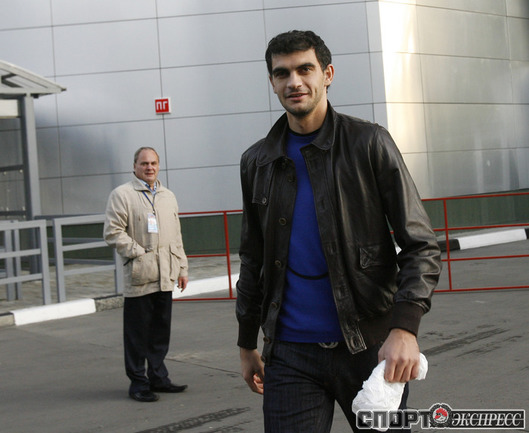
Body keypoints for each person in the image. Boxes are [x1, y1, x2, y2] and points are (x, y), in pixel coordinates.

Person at [236, 30, 442, 432]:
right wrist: (246, 343)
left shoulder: (369, 143)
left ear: (327, 74)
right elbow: (252, 259)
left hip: (369, 346)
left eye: (305, 69)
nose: (294, 82)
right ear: (272, 82)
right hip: (290, 353)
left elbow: (420, 245)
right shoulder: (256, 162)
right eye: (282, 73)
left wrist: (405, 328)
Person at [104, 147, 189, 403]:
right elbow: (112, 232)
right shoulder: (122, 195)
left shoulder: (168, 196)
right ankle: (138, 383)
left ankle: (158, 378)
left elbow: (176, 236)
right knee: (137, 334)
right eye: (144, 164)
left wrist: (182, 268)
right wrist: (138, 253)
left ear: (158, 166)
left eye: (153, 163)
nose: (149, 167)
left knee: (160, 332)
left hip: (166, 275)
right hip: (140, 276)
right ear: (135, 166)